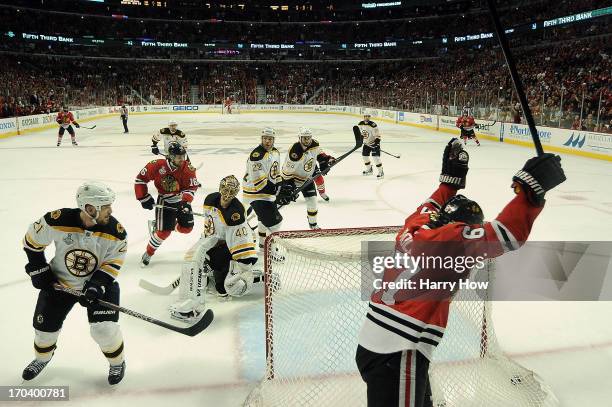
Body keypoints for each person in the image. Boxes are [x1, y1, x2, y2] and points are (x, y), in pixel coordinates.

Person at [355, 138, 566, 407]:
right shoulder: (453, 241)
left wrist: (449, 184)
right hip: (399, 350)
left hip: (375, 342)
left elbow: (431, 204)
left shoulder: (416, 225)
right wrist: (530, 190)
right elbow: (508, 234)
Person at [21, 181, 128, 385]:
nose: (111, 210)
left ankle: (117, 362)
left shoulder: (116, 232)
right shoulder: (57, 220)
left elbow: (113, 263)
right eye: (106, 206)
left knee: (103, 330)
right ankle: (42, 358)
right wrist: (39, 268)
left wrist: (97, 285)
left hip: (99, 286)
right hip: (59, 283)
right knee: (44, 332)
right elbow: (31, 241)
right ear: (90, 208)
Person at [169, 176, 257, 322]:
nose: (228, 193)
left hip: (228, 245)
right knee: (193, 256)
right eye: (225, 189)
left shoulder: (236, 212)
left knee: (223, 281)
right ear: (220, 187)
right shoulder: (210, 200)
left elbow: (241, 237)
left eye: (232, 191)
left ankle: (199, 301)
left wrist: (244, 263)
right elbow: (211, 224)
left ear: (236, 192)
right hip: (211, 240)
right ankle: (190, 297)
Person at [135, 142, 199, 266]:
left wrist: (185, 203)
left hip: (181, 201)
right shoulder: (157, 165)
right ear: (170, 156)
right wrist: (143, 197)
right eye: (178, 157)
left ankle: (167, 224)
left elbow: (191, 188)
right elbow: (140, 180)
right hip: (165, 200)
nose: (182, 159)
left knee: (187, 229)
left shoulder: (188, 168)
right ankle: (148, 253)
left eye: (183, 156)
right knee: (164, 232)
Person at [277, 127, 335, 230]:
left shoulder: (314, 144)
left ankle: (313, 224)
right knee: (282, 202)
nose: (307, 140)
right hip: (292, 180)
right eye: (304, 138)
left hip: (307, 179)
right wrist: (287, 186)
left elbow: (320, 154)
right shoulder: (295, 152)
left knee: (312, 201)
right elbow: (287, 171)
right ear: (299, 138)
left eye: (309, 138)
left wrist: (327, 159)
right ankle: (267, 219)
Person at [242, 127, 283, 257]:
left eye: (270, 139)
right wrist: (276, 191)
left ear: (273, 140)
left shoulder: (275, 152)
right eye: (265, 138)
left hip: (264, 191)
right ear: (261, 139)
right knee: (275, 223)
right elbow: (259, 183)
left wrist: (281, 185)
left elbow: (276, 173)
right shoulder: (257, 155)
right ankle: (270, 249)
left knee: (263, 220)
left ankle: (262, 246)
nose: (267, 141)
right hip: (255, 192)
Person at [359, 114, 384, 179]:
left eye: (368, 116)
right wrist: (361, 140)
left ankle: (381, 172)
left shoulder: (373, 125)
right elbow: (361, 134)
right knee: (364, 156)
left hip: (373, 144)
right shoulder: (360, 124)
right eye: (365, 116)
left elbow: (378, 136)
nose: (367, 117)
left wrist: (376, 143)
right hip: (366, 144)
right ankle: (369, 169)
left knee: (376, 158)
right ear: (364, 117)